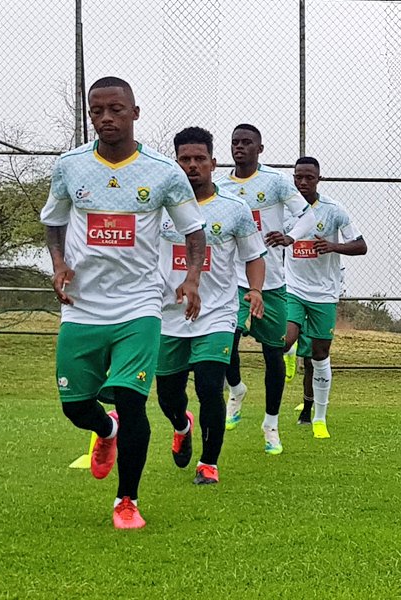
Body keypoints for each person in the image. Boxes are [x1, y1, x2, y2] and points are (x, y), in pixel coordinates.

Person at [40, 77, 206, 529]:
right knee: (75, 407)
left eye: (116, 109)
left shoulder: (163, 172)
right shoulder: (70, 166)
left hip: (139, 305)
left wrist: (191, 278)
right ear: (90, 114)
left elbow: (194, 230)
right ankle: (105, 430)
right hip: (81, 305)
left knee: (134, 402)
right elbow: (54, 221)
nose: (106, 118)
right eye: (97, 111)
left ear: (135, 112)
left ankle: (126, 501)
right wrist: (58, 264)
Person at [155, 127, 266, 485]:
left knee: (208, 386)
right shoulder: (158, 205)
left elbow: (254, 257)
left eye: (199, 159)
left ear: (213, 163)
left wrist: (256, 290)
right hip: (167, 315)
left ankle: (208, 463)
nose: (192, 166)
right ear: (176, 163)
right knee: (168, 394)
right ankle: (180, 424)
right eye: (185, 159)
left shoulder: (234, 209)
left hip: (216, 312)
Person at [216, 124, 305, 455]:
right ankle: (236, 390)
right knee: (226, 341)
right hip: (232, 281)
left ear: (260, 148)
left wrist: (290, 235)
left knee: (273, 354)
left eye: (247, 143)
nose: (240, 148)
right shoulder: (221, 186)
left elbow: (306, 214)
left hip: (272, 282)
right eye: (235, 142)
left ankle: (270, 423)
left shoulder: (275, 182)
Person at [266, 156, 367, 440]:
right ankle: (288, 355)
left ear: (318, 179)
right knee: (284, 338)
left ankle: (319, 417)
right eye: (298, 177)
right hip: (293, 288)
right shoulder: (286, 212)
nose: (303, 182)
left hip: (324, 293)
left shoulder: (334, 211)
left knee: (320, 355)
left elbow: (361, 245)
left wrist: (333, 246)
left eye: (309, 177)